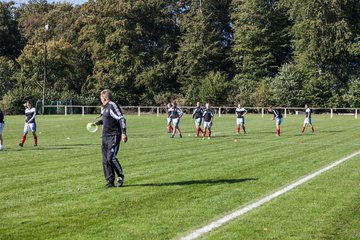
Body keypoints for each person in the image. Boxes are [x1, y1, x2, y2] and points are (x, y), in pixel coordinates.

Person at [95, 89, 128, 188]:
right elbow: (107, 119)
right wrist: (98, 123)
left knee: (111, 158)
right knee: (105, 160)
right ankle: (110, 181)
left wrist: (124, 133)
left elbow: (121, 118)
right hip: (104, 137)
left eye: (101, 97)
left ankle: (120, 176)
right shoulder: (104, 108)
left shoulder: (112, 105)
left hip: (114, 135)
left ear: (104, 97)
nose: (100, 99)